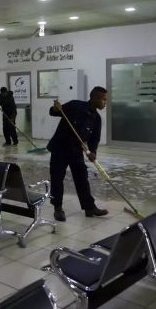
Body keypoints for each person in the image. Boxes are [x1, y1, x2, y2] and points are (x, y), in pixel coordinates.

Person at [47, 86, 109, 221]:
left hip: (76, 150)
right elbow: (54, 112)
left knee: (82, 178)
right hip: (60, 148)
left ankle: (89, 207)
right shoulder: (75, 105)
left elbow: (94, 138)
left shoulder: (96, 119)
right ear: (95, 98)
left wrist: (92, 152)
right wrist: (55, 108)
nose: (105, 102)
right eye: (104, 99)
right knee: (57, 178)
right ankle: (57, 208)